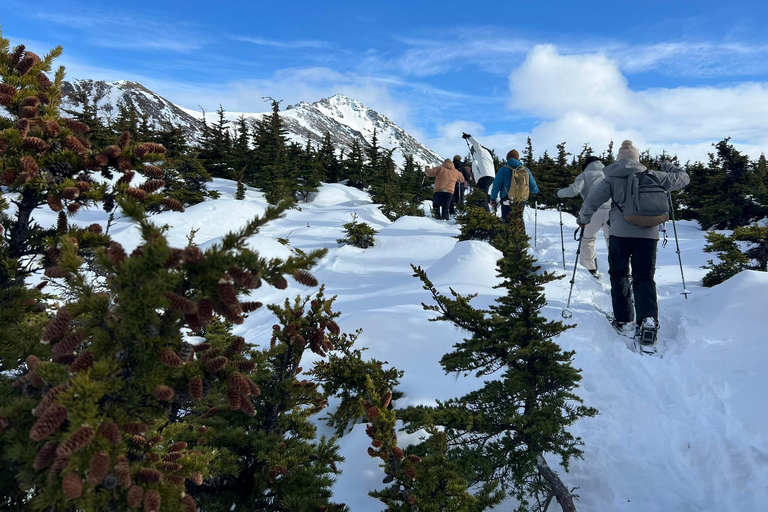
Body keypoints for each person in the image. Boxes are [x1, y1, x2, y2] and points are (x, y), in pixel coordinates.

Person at [578, 140, 689, 344]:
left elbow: (592, 200)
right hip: (648, 235)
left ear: (619, 159)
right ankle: (647, 319)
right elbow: (684, 178)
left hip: (619, 234)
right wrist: (667, 165)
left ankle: (623, 319)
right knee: (644, 277)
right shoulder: (655, 175)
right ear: (638, 159)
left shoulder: (611, 178)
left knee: (619, 274)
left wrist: (583, 220)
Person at [557, 155, 610, 278]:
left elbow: (574, 190)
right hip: (611, 210)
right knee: (614, 241)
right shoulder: (609, 173)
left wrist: (559, 193)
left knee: (588, 240)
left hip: (592, 211)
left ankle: (590, 270)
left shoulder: (585, 175)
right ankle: (622, 271)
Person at [489, 149, 539, 231]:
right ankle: (521, 241)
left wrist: (492, 199)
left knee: (506, 220)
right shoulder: (525, 169)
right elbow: (533, 185)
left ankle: (506, 241)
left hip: (507, 199)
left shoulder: (503, 169)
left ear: (507, 158)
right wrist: (536, 192)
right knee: (519, 219)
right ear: (518, 158)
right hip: (521, 199)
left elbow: (496, 186)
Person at [461, 133, 495, 209]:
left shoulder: (481, 151)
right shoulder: (485, 157)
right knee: (482, 195)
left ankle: (485, 215)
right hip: (487, 176)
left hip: (485, 176)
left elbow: (476, 144)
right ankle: (484, 210)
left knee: (481, 198)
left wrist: (468, 137)